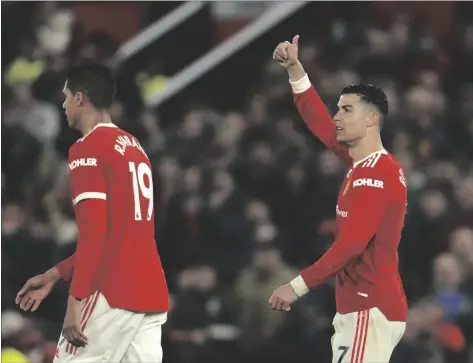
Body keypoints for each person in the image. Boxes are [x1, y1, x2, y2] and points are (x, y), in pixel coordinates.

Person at [15, 63, 169, 363]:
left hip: (111, 292)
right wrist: (54, 274)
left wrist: (75, 301)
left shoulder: (86, 149)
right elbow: (120, 236)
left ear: (81, 99)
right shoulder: (135, 147)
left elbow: (94, 234)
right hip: (150, 291)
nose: (63, 105)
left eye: (66, 96)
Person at [269, 35, 408, 363]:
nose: (337, 117)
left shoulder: (376, 174)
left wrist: (296, 286)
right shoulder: (364, 164)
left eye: (347, 110)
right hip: (363, 306)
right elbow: (320, 124)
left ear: (372, 119)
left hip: (367, 306)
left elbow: (350, 246)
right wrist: (295, 71)